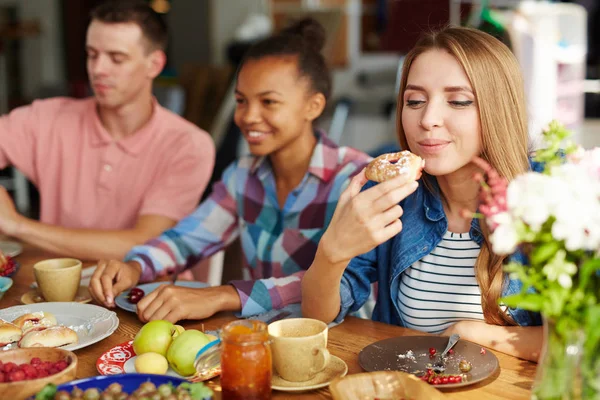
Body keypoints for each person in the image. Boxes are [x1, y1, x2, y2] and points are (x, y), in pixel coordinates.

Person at [89, 18, 371, 323]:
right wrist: (136, 266)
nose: (248, 116)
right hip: (260, 338)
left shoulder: (356, 180)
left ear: (313, 106)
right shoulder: (243, 176)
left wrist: (224, 294)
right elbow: (186, 239)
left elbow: (337, 286)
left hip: (342, 340)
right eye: (241, 101)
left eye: (268, 102)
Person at [301, 26, 543, 362]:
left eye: (457, 101)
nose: (427, 119)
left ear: (497, 109)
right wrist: (331, 253)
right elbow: (319, 318)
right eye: (414, 101)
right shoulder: (389, 192)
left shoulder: (550, 195)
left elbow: (583, 338)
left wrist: (479, 334)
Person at [0, 0, 215, 260]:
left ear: (154, 64)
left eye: (116, 58)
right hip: (54, 292)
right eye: (92, 54)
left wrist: (17, 225)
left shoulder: (189, 145)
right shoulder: (47, 117)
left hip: (144, 294)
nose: (98, 69)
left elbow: (143, 244)